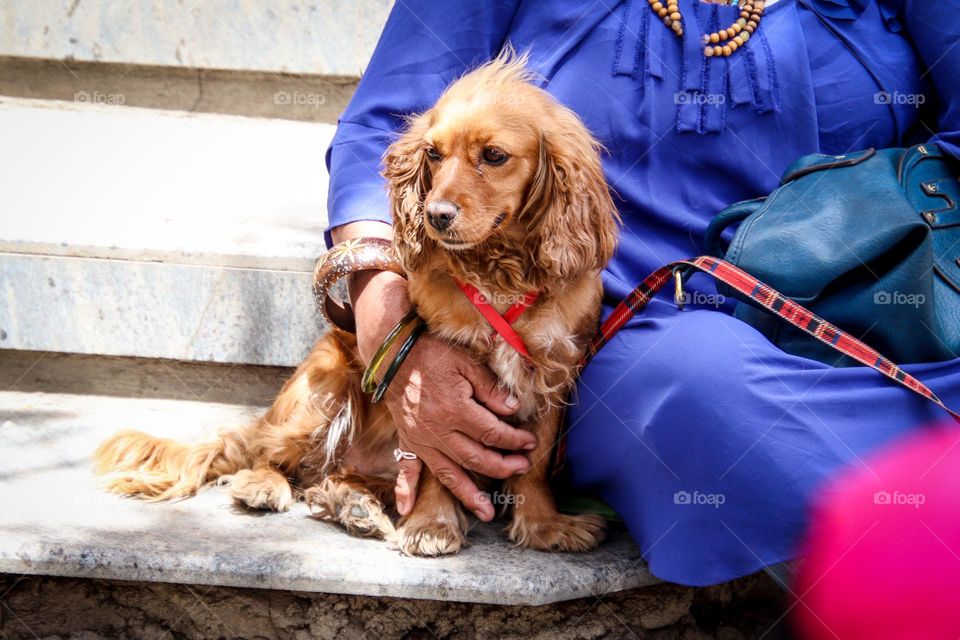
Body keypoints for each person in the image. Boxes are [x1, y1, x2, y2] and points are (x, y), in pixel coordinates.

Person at [325, 0, 960, 585]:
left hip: (873, 316)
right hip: (620, 326)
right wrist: (391, 335)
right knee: (703, 393)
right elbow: (384, 125)